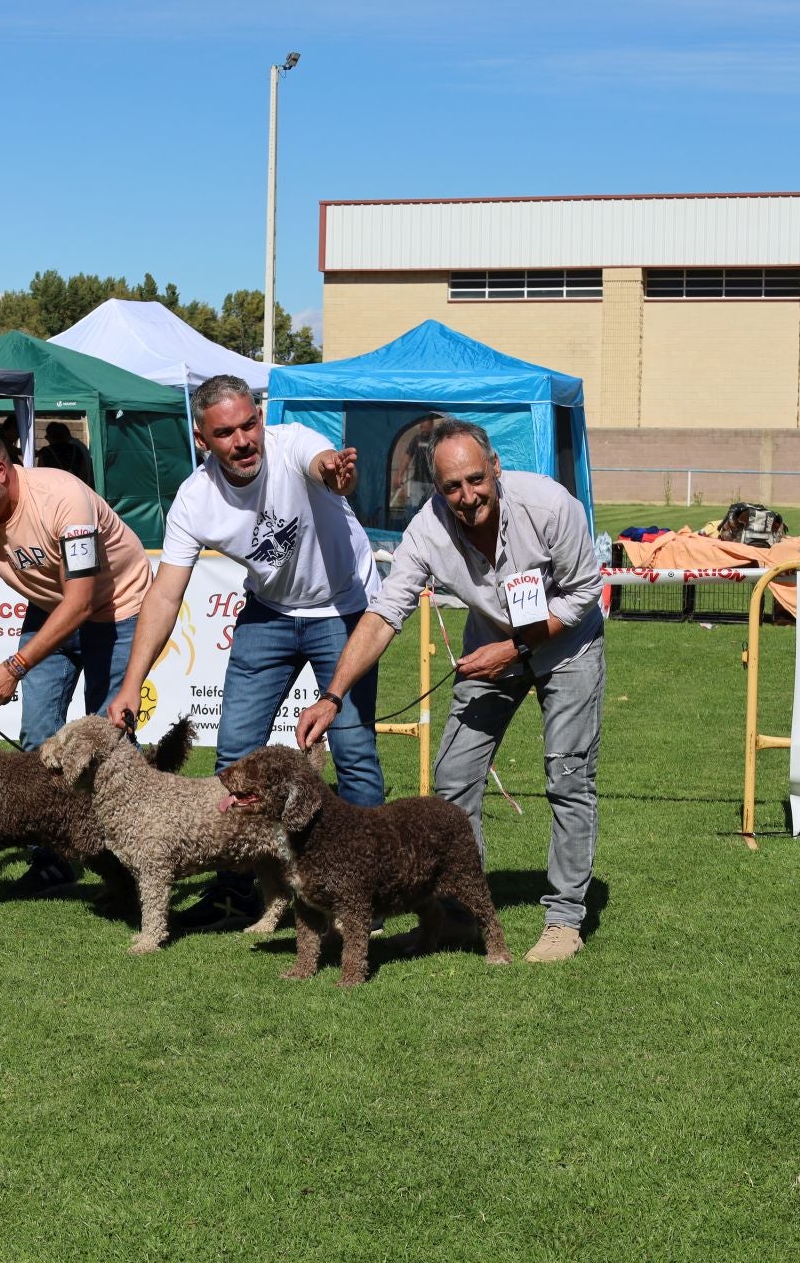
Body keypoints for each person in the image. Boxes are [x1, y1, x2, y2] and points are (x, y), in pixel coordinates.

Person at [295, 418, 604, 964]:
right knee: (453, 778)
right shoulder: (427, 533)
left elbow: (583, 594)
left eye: (475, 480)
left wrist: (516, 650)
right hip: (490, 650)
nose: (467, 496)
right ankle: (458, 914)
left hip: (567, 648)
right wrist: (332, 695)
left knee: (568, 778)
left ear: (496, 469)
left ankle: (564, 920)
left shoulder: (552, 507)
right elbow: (386, 613)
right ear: (436, 489)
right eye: (451, 487)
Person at [106, 374, 385, 926]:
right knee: (233, 758)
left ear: (261, 418)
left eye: (249, 424)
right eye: (225, 432)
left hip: (343, 608)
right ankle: (235, 887)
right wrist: (132, 682)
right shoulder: (194, 499)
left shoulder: (293, 444)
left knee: (353, 755)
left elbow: (322, 463)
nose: (243, 440)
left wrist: (335, 471)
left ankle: (362, 893)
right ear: (202, 438)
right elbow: (164, 595)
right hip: (269, 614)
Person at [0, 426, 152, 884]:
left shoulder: (63, 498)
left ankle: (137, 861)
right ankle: (52, 860)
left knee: (110, 740)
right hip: (50, 611)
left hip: (120, 609)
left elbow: (82, 600)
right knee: (39, 738)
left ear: (1, 470)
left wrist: (15, 666)